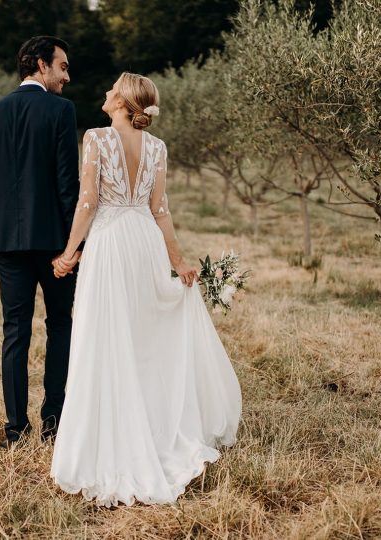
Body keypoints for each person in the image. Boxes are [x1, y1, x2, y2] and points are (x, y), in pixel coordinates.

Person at [49, 73, 242, 506]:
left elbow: (87, 202)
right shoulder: (157, 148)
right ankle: (151, 423)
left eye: (110, 88)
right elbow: (161, 210)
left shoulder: (96, 138)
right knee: (142, 336)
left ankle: (115, 430)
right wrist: (177, 260)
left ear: (121, 101)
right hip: (145, 244)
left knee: (105, 336)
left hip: (111, 245)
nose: (104, 91)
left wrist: (66, 253)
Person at [0, 36, 80, 448]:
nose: (67, 76)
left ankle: (16, 429)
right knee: (60, 326)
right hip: (54, 244)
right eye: (63, 67)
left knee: (14, 332)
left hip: (6, 244)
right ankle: (54, 423)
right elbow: (68, 185)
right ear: (40, 65)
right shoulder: (61, 111)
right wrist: (75, 245)